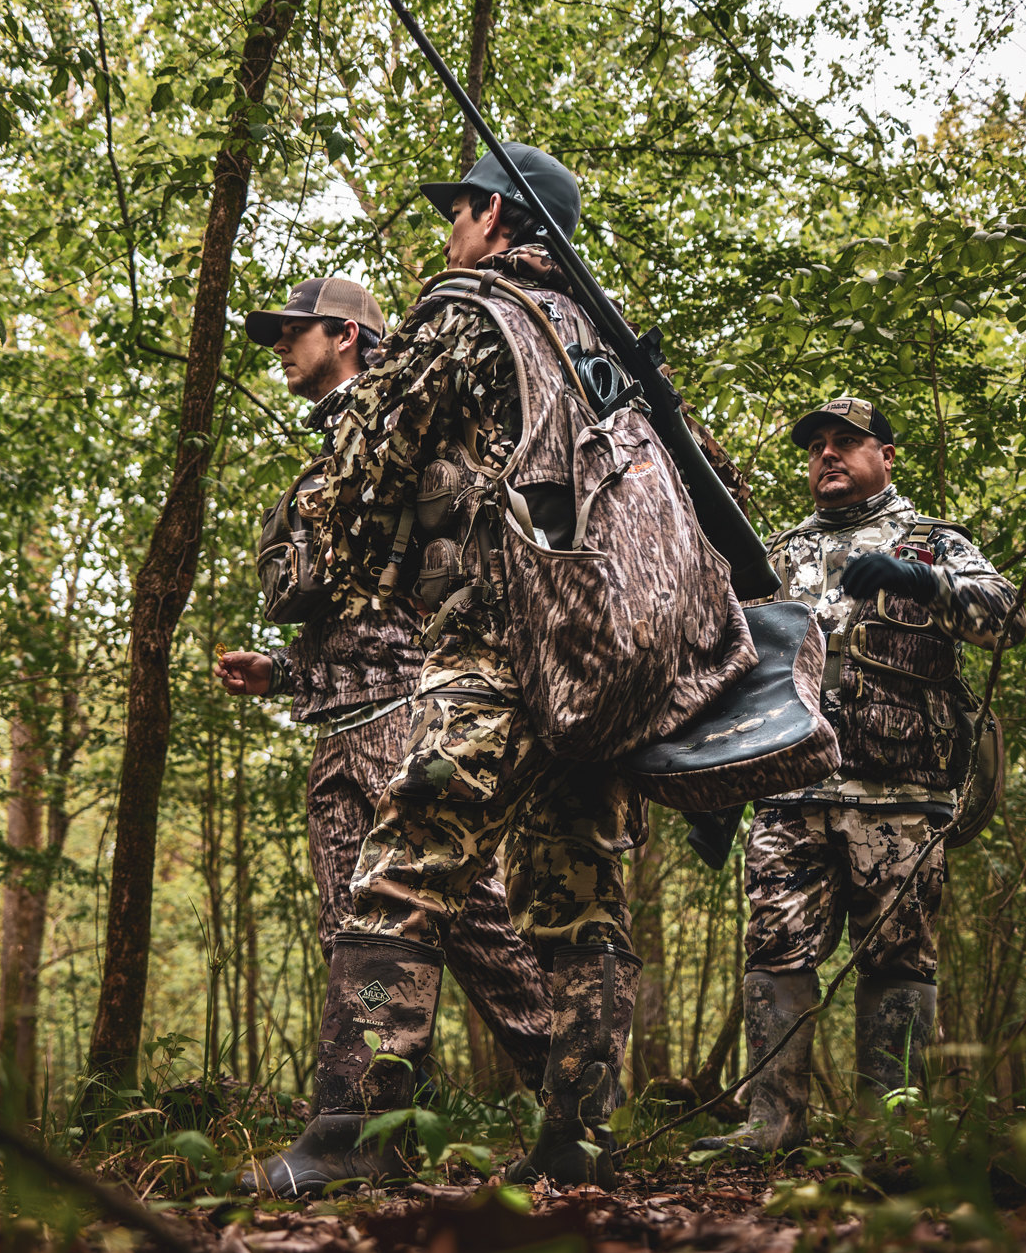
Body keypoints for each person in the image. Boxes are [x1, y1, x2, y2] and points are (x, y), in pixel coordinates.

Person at [238, 144, 746, 1195]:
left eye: (459, 210)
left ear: (495, 216)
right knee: (578, 890)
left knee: (403, 860)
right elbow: (714, 496)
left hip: (505, 636)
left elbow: (366, 468)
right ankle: (577, 1141)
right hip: (608, 657)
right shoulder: (614, 348)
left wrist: (368, 539)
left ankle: (352, 1132)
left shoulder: (468, 310)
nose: (449, 231)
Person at [212, 278, 550, 1147]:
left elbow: (440, 580)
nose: (280, 346)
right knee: (350, 935)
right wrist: (284, 673)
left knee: (469, 921)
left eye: (295, 331)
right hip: (337, 725)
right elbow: (356, 607)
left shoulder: (407, 429)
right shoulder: (337, 453)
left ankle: (577, 1099)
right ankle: (372, 1129)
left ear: (348, 335)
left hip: (410, 716)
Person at [693, 397, 1026, 1154]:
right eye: (816, 446)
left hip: (901, 796)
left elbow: (1006, 617)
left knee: (899, 958)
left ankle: (890, 1131)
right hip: (790, 794)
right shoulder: (778, 553)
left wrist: (924, 582)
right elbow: (733, 661)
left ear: (887, 456)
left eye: (847, 441)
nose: (828, 455)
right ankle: (772, 1123)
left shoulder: (934, 542)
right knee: (774, 949)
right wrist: (715, 788)